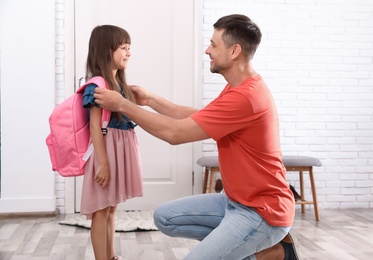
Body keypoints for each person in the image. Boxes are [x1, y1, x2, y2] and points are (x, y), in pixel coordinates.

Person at [94, 14, 302, 259]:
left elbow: (175, 133)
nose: (207, 50)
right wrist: (150, 100)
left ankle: (273, 251)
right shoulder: (238, 86)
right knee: (165, 218)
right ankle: (256, 249)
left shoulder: (246, 97)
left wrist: (123, 105)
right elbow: (199, 117)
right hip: (234, 202)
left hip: (262, 213)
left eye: (213, 44)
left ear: (234, 51)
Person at [80, 25, 143, 260]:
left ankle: (111, 257)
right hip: (105, 151)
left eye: (129, 48)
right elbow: (95, 125)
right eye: (124, 47)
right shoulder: (98, 85)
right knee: (100, 209)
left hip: (119, 148)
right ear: (107, 50)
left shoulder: (119, 85)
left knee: (111, 206)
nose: (129, 53)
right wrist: (103, 163)